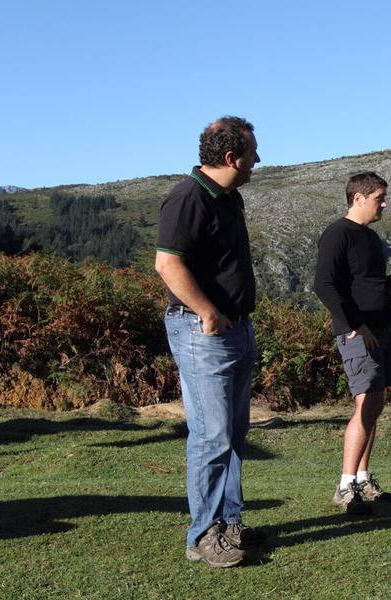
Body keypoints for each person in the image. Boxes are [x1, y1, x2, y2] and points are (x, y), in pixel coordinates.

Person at [156, 116, 263, 567]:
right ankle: (203, 534)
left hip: (235, 328)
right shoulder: (188, 197)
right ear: (229, 157)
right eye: (252, 152)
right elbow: (167, 264)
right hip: (205, 332)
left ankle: (228, 521)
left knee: (234, 432)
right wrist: (207, 311)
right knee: (211, 434)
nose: (258, 159)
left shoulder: (228, 198)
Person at [313, 172, 391, 516]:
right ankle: (344, 485)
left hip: (383, 327)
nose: (384, 204)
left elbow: (365, 285)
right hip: (358, 332)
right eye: (379, 197)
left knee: (375, 403)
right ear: (358, 198)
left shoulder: (368, 237)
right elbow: (324, 285)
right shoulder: (337, 234)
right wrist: (355, 324)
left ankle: (363, 480)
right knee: (366, 400)